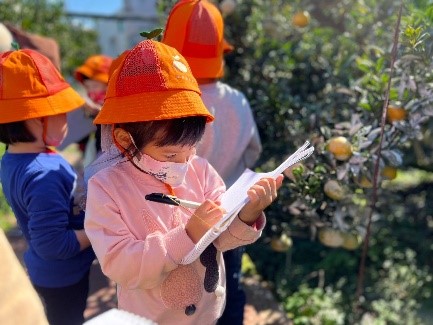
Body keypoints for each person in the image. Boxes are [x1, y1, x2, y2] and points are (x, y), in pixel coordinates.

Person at [84, 37, 283, 324]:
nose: (183, 163)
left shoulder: (201, 171)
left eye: (191, 149)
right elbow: (120, 264)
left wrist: (247, 215)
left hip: (206, 314)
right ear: (126, 140)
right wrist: (187, 235)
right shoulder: (107, 188)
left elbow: (223, 239)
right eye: (171, 153)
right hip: (150, 318)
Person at [162, 1, 262, 323]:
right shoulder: (237, 100)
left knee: (180, 296)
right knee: (228, 282)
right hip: (231, 214)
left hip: (179, 224)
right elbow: (253, 152)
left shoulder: (166, 101)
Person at [0, 49, 95, 325]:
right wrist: (96, 231)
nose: (66, 118)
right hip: (64, 276)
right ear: (32, 117)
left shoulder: (14, 158)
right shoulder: (45, 174)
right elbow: (53, 244)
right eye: (59, 111)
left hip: (45, 272)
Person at [74, 54, 113, 155]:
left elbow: (111, 117)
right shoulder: (90, 97)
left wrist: (95, 108)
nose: (91, 90)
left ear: (107, 84)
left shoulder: (111, 98)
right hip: (93, 144)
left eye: (95, 86)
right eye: (87, 86)